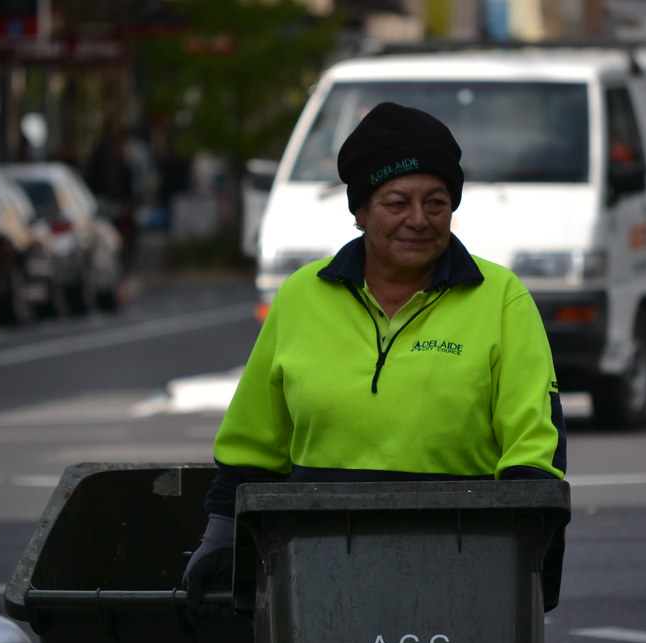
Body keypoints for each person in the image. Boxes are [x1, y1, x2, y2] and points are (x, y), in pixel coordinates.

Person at [182, 102, 567, 609]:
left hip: (462, 561)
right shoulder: (300, 296)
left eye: (436, 202)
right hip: (315, 563)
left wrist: (521, 553)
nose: (419, 220)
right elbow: (254, 443)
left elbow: (535, 449)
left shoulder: (501, 298)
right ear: (360, 210)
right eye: (396, 202)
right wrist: (222, 532)